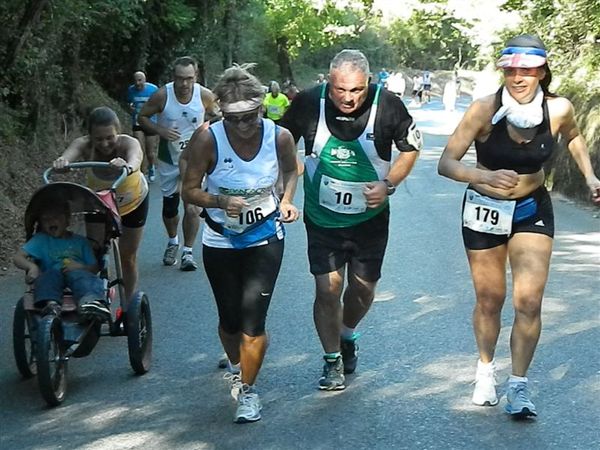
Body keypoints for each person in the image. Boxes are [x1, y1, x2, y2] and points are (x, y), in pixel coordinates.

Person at [438, 34, 600, 418]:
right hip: (484, 208)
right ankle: (484, 371)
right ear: (503, 71)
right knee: (490, 300)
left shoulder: (558, 109)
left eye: (527, 70)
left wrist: (590, 177)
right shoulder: (482, 110)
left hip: (532, 208)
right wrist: (480, 177)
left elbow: (574, 137)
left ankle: (519, 386)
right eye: (511, 70)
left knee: (528, 301)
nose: (518, 77)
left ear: (542, 71)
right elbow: (446, 162)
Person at [280, 49, 421, 390]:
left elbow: (411, 148)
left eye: (356, 90)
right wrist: (291, 170)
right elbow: (279, 139)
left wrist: (388, 184)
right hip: (322, 217)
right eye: (340, 89)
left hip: (370, 220)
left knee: (363, 290)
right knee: (327, 289)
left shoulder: (388, 106)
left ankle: (346, 334)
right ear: (329, 81)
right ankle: (331, 361)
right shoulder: (309, 102)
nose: (347, 97)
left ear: (368, 83)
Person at [182, 64, 299, 423]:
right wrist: (220, 202)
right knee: (230, 321)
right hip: (220, 239)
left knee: (253, 322)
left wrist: (287, 200)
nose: (245, 125)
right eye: (235, 120)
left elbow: (292, 169)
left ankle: (248, 389)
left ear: (261, 107)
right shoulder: (207, 138)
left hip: (264, 236)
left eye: (250, 116)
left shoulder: (279, 137)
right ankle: (237, 364)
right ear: (221, 113)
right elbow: (189, 189)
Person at [54, 107, 148, 310]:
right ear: (90, 137)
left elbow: (136, 157)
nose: (105, 144)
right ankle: (93, 297)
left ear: (118, 133)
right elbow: (69, 154)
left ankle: (128, 304)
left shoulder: (128, 143)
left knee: (127, 256)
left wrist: (127, 165)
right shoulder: (84, 144)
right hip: (99, 203)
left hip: (132, 203)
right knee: (94, 254)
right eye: (99, 139)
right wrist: (63, 161)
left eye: (110, 138)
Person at [138, 56, 218, 271]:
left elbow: (219, 114)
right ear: (173, 77)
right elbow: (142, 117)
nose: (184, 84)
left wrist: (210, 126)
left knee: (192, 206)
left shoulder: (204, 95)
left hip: (195, 160)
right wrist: (160, 130)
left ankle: (188, 252)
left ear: (196, 77)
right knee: (170, 206)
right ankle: (173, 241)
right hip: (169, 159)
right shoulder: (163, 95)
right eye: (179, 79)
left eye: (189, 79)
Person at [13, 201, 110, 320]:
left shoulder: (81, 242)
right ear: (41, 223)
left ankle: (90, 302)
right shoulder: (41, 240)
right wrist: (32, 267)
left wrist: (80, 267)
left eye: (56, 217)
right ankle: (50, 304)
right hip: (52, 274)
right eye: (45, 219)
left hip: (78, 273)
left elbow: (94, 267)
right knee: (47, 277)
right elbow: (18, 257)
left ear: (67, 220)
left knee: (83, 277)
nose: (51, 221)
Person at [127, 71, 159, 182]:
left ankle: (151, 167)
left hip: (150, 123)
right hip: (137, 123)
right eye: (135, 80)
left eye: (140, 80)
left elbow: (159, 104)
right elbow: (128, 103)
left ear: (145, 80)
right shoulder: (131, 90)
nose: (137, 83)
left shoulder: (153, 89)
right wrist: (130, 108)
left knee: (150, 152)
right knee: (140, 150)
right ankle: (141, 174)